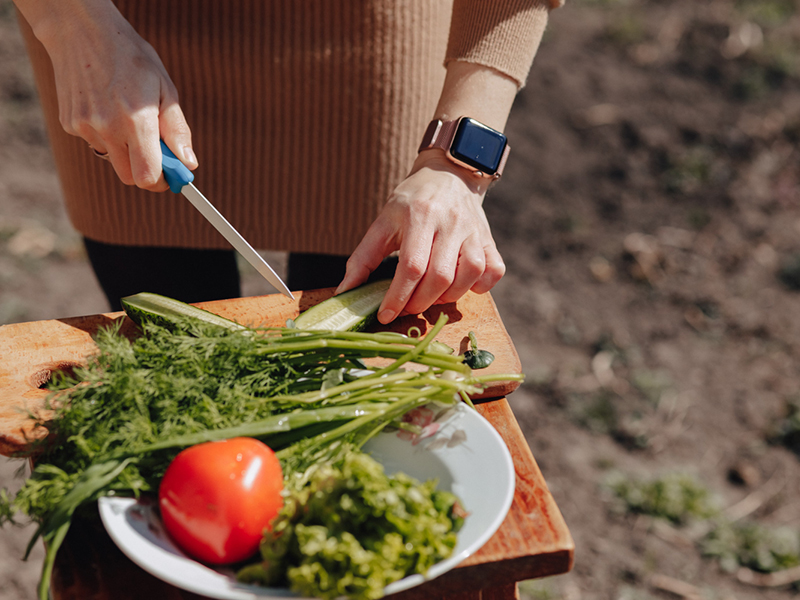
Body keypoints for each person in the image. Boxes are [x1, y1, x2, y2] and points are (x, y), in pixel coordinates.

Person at [12, 0, 562, 321]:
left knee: (372, 334)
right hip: (114, 48)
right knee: (167, 335)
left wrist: (457, 161)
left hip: (372, 46)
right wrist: (70, 23)